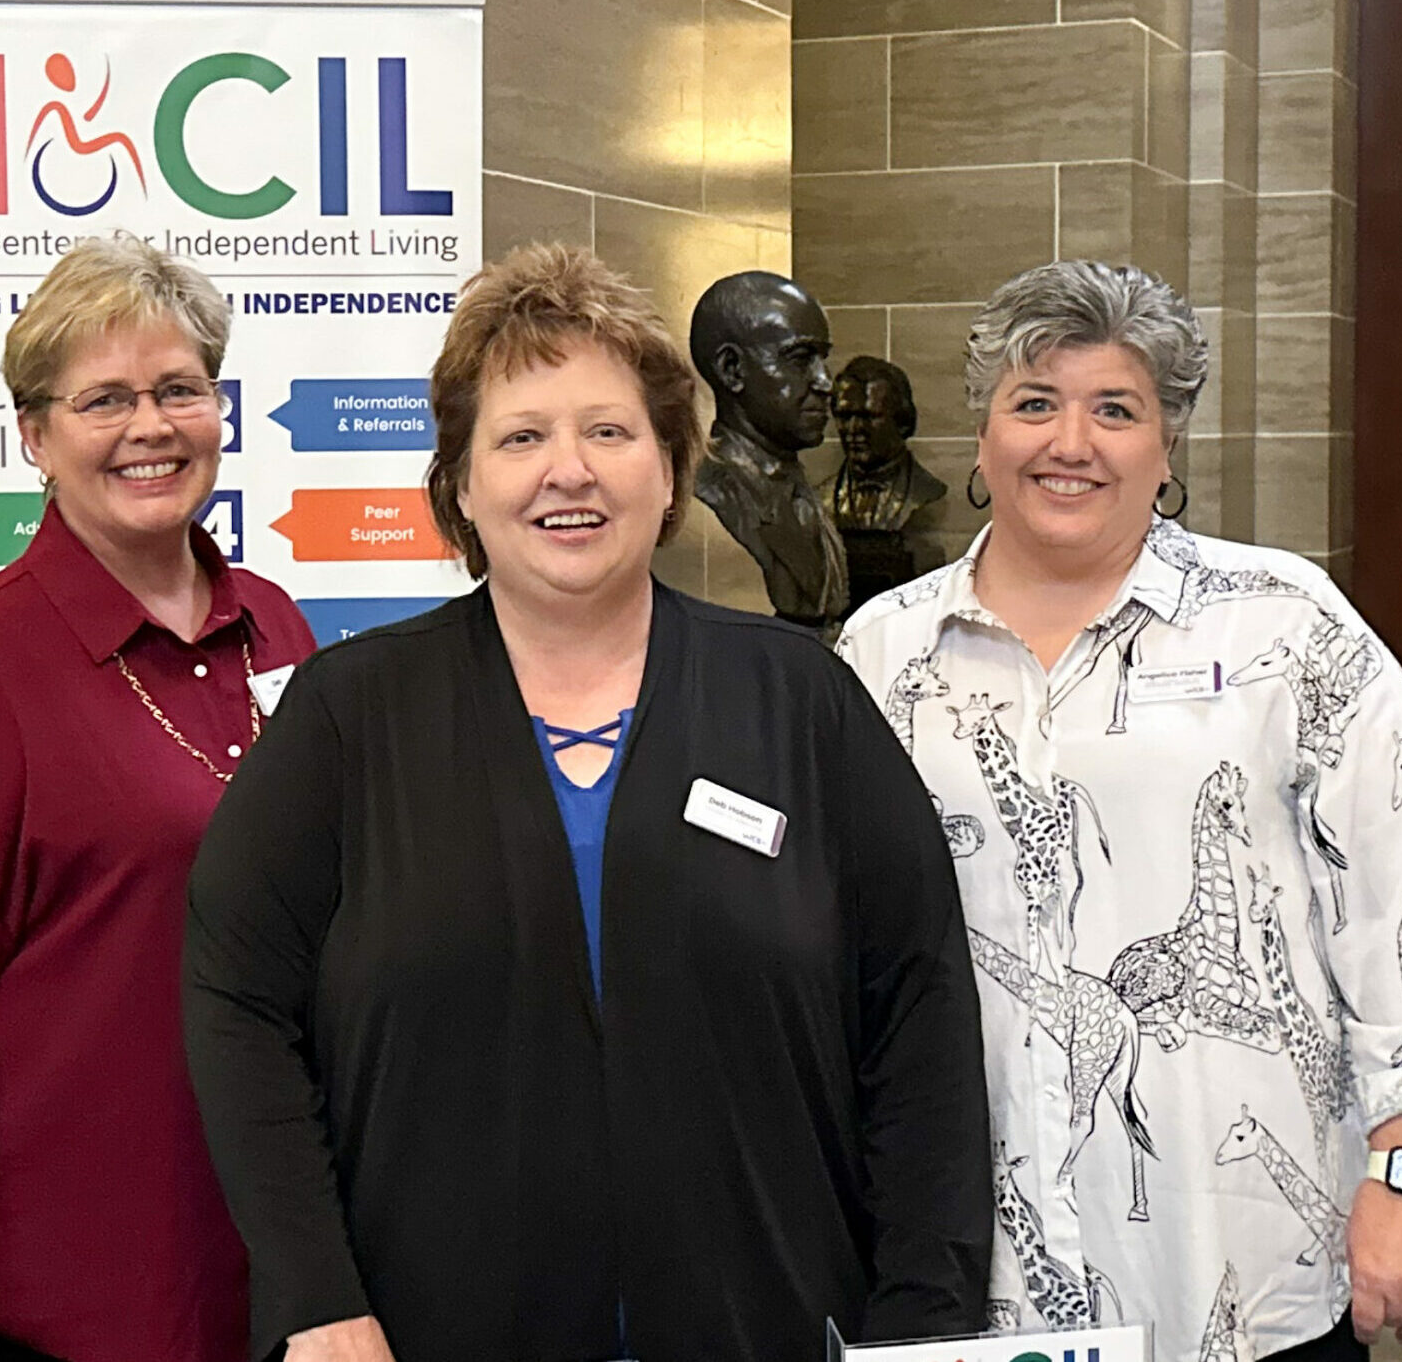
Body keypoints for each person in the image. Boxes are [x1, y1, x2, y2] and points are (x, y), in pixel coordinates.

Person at [184, 243, 991, 1362]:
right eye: (521, 437)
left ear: (670, 468)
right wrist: (316, 1292)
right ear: (461, 484)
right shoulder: (347, 717)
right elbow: (237, 1003)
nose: (570, 470)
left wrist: (926, 1320)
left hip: (769, 1323)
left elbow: (921, 1013)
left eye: (610, 431)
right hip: (425, 1332)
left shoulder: (800, 701)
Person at [836, 259, 1402, 1362]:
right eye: (1035, 402)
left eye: (1116, 409)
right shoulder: (882, 652)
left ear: (1168, 441)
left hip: (1239, 1272)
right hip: (968, 1277)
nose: (1071, 442)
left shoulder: (1283, 629)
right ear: (984, 432)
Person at [0, 237, 316, 1362]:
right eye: (104, 399)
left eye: (178, 389)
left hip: (265, 1257)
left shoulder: (277, 627)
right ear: (36, 438)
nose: (150, 426)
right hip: (67, 1286)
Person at [690, 270, 850, 629]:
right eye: (799, 358)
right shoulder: (711, 493)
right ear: (732, 370)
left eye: (822, 358)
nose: (825, 381)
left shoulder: (802, 487)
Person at [830, 354, 947, 609]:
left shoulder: (925, 494)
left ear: (903, 422)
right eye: (845, 416)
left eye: (868, 416)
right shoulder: (823, 498)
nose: (854, 429)